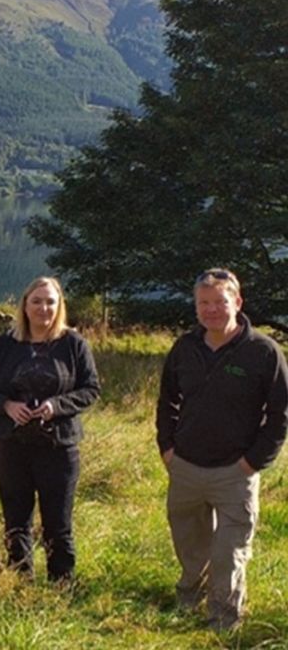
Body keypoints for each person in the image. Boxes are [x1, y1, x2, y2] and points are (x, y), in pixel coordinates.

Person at [157, 268, 288, 631]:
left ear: (237, 302)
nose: (212, 309)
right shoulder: (185, 347)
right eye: (204, 303)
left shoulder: (263, 351)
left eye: (220, 301)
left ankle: (223, 621)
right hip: (185, 467)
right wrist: (168, 449)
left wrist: (252, 462)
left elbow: (280, 415)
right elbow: (167, 400)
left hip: (235, 472)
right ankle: (188, 600)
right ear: (196, 306)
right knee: (190, 545)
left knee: (229, 553)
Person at [0, 276, 99, 582]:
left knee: (58, 520)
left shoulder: (73, 344)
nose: (43, 308)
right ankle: (19, 580)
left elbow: (91, 389)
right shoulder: (7, 343)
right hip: (13, 444)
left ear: (59, 307)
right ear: (25, 305)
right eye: (37, 301)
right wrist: (7, 406)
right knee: (16, 517)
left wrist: (56, 406)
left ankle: (61, 582)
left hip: (58, 446)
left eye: (50, 302)